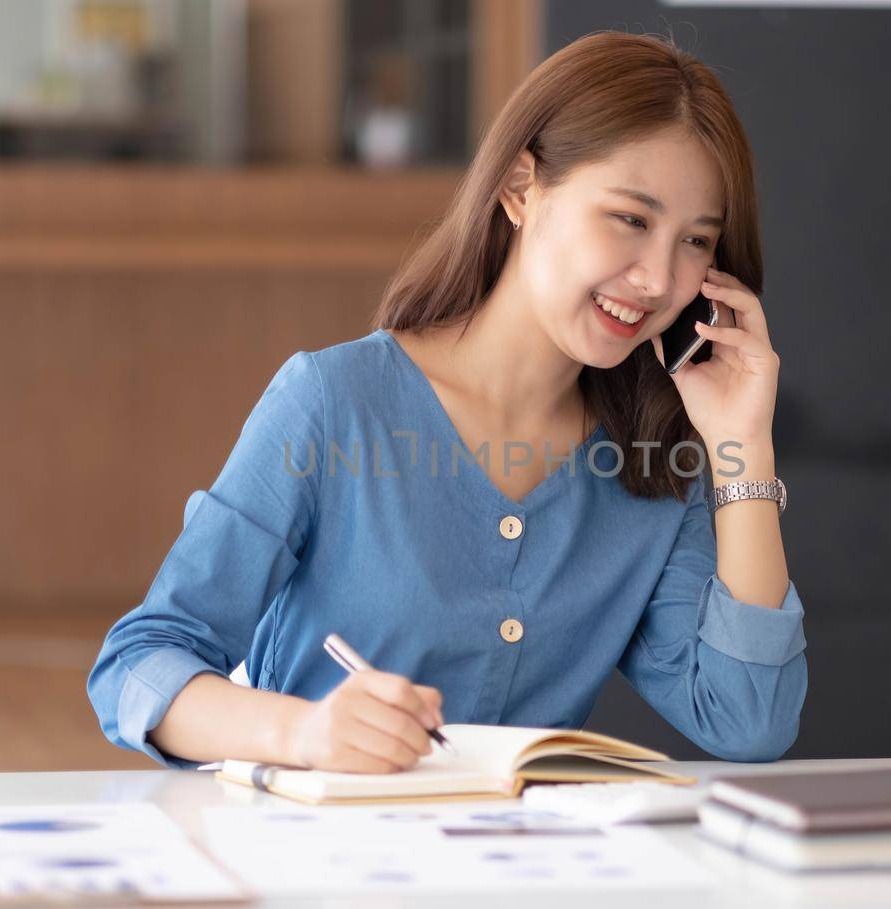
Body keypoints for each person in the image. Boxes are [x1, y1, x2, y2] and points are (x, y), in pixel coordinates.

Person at [87, 31, 806, 773]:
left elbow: (747, 719)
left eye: (695, 242)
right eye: (630, 219)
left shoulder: (660, 459)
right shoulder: (333, 405)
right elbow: (139, 666)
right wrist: (303, 733)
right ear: (521, 189)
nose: (658, 278)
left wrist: (743, 445)